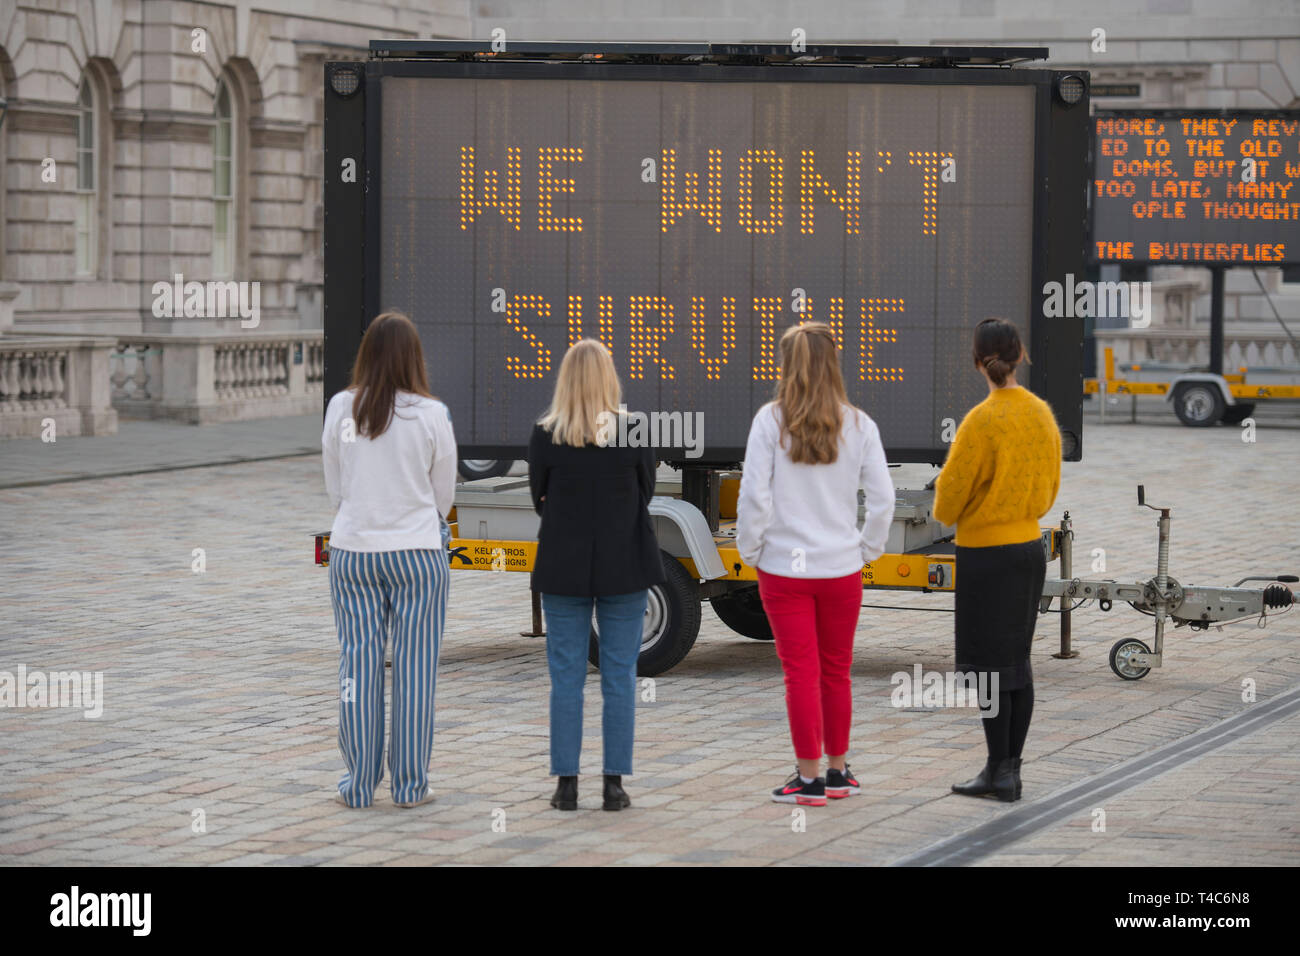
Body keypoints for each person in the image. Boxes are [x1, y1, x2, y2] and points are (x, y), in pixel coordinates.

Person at [736, 322, 895, 806]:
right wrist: (864, 550)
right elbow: (884, 501)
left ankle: (807, 781)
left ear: (788, 365)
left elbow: (753, 497)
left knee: (799, 673)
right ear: (833, 363)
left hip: (784, 569)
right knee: (836, 671)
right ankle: (838, 771)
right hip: (841, 569)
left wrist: (752, 551)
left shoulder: (770, 420)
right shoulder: (860, 424)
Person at [321, 311, 457, 809]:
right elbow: (443, 495)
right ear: (413, 357)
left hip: (354, 551)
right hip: (418, 553)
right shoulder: (432, 414)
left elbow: (335, 485)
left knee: (357, 668)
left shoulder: (341, 407)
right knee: (416, 671)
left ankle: (358, 786)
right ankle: (409, 786)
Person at [528, 339, 665, 812]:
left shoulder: (546, 434)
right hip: (624, 565)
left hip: (563, 569)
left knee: (565, 678)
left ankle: (566, 785)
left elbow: (537, 497)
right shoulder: (633, 431)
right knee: (620, 676)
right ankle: (614, 785)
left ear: (565, 380)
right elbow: (645, 493)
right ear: (609, 380)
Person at [934, 317, 1061, 803]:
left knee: (989, 669)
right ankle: (1011, 770)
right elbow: (1049, 491)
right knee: (1017, 664)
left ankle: (996, 771)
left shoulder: (981, 420)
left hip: (985, 556)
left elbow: (946, 502)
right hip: (1029, 550)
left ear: (977, 360)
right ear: (1020, 354)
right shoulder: (1041, 414)